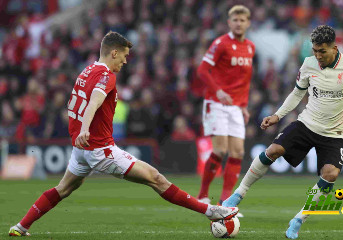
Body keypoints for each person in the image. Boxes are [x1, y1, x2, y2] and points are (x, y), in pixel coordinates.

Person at [9, 31, 238, 237]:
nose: (126, 61)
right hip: (99, 148)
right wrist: (86, 129)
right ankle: (210, 211)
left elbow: (76, 103)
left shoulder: (86, 70)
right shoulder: (107, 75)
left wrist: (80, 132)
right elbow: (93, 102)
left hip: (81, 149)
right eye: (125, 56)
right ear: (114, 52)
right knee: (156, 179)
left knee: (65, 188)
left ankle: (21, 227)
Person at [222, 25, 343, 239]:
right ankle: (238, 194)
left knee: (331, 174)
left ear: (334, 47)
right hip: (307, 123)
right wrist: (278, 115)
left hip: (334, 134)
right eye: (314, 51)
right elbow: (297, 93)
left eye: (322, 51)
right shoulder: (308, 64)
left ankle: (298, 219)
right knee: (273, 150)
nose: (317, 56)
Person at [197, 5, 255, 208]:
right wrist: (218, 91)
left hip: (236, 107)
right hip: (217, 103)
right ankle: (203, 195)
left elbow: (244, 80)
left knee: (237, 152)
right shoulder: (220, 43)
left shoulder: (250, 47)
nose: (239, 23)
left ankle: (225, 202)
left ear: (248, 23)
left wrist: (244, 105)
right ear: (229, 23)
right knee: (220, 150)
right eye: (235, 20)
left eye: (242, 20)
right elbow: (203, 70)